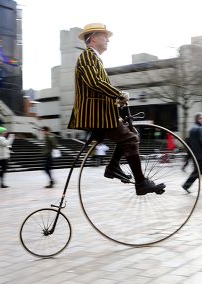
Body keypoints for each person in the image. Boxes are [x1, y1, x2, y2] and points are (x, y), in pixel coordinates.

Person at [67, 23, 164, 196]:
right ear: (94, 38)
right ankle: (140, 183)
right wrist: (118, 94)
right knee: (130, 139)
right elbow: (94, 83)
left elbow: (98, 86)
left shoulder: (94, 58)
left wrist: (116, 102)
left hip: (102, 113)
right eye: (105, 36)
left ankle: (112, 167)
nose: (108, 40)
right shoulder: (88, 55)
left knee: (132, 135)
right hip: (95, 115)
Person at [182, 113, 202, 193]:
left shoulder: (192, 128)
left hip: (194, 153)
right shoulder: (200, 128)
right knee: (198, 172)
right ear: (199, 119)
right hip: (200, 154)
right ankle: (186, 185)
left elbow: (188, 141)